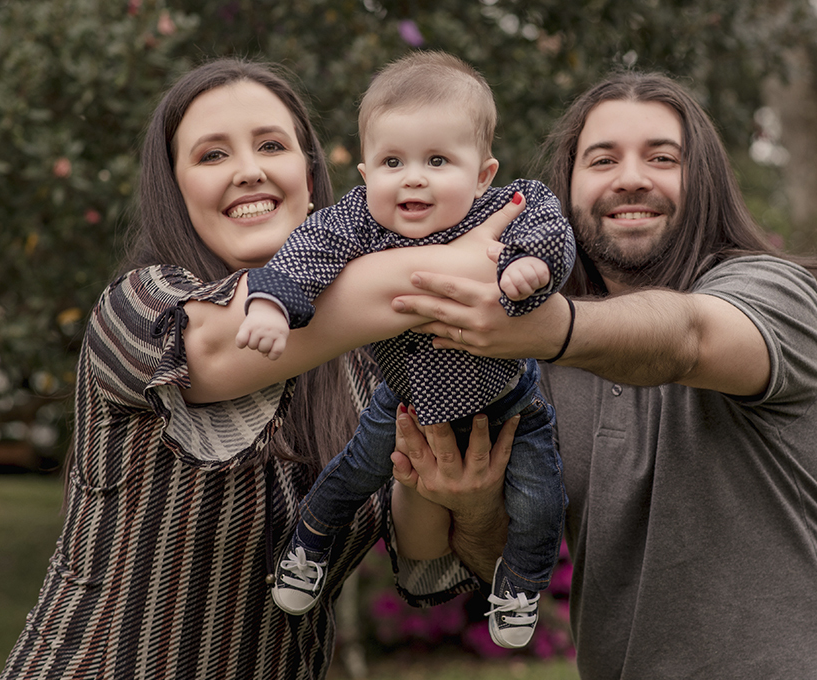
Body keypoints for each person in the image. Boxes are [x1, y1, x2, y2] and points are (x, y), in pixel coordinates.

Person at [0, 58, 520, 680]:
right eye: (212, 155)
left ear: (308, 173)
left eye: (271, 145)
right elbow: (222, 350)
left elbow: (422, 548)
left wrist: (460, 494)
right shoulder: (139, 309)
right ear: (176, 186)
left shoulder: (375, 357)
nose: (249, 171)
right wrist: (461, 252)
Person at [389, 71, 817, 679]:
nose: (631, 177)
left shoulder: (772, 291)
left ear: (701, 182)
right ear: (565, 189)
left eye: (661, 157)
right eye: (602, 160)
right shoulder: (534, 362)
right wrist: (471, 509)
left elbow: (690, 337)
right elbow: (499, 555)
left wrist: (550, 329)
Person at [237, 52, 575, 649]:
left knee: (541, 498)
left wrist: (532, 265)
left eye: (437, 160)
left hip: (510, 401)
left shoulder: (507, 208)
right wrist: (270, 303)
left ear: (482, 174)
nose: (412, 177)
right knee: (352, 473)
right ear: (366, 172)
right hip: (406, 400)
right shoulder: (359, 223)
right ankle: (309, 542)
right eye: (393, 162)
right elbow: (305, 251)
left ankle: (521, 585)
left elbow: (549, 226)